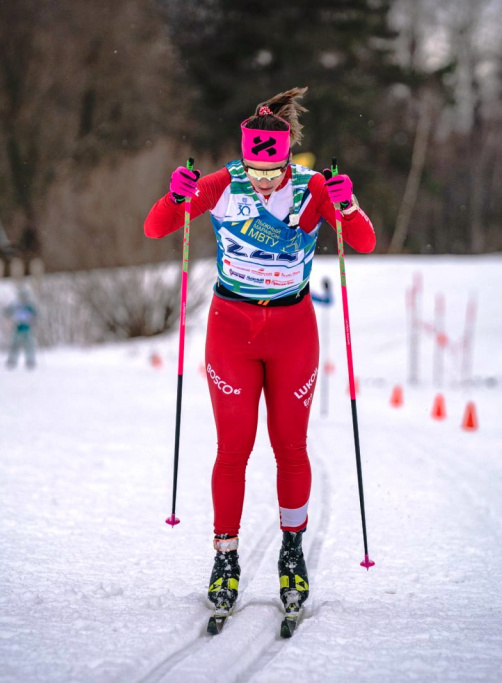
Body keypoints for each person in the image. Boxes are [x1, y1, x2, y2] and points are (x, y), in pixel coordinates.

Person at [143, 87, 376, 617]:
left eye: (272, 172)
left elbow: (363, 242)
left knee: (290, 447)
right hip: (231, 329)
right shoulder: (223, 184)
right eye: (254, 170)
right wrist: (175, 196)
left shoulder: (313, 187)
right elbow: (156, 227)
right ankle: (225, 558)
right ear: (244, 157)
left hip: (293, 329)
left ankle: (291, 551)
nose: (263, 181)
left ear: (289, 157)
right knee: (234, 448)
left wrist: (347, 203)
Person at [4, 287, 37, 369]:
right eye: (21, 296)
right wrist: (8, 317)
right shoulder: (15, 305)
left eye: (24, 296)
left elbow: (36, 314)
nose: (23, 298)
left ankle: (30, 361)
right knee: (15, 345)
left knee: (29, 346)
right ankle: (12, 360)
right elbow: (7, 312)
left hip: (27, 328)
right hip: (17, 328)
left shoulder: (30, 305)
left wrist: (33, 319)